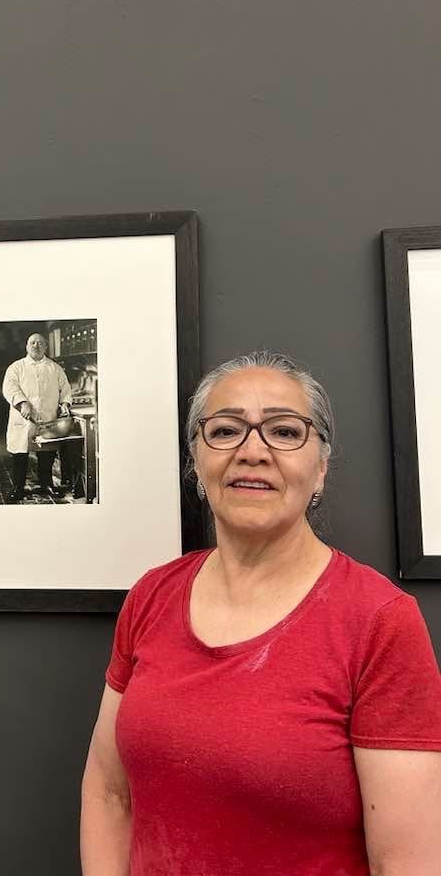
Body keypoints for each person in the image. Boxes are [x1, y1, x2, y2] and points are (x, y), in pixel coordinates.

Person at [81, 351, 441, 875]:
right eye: (225, 431)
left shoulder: (378, 621)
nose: (252, 451)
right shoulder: (152, 597)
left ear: (319, 468)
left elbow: (409, 863)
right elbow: (109, 789)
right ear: (196, 462)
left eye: (285, 432)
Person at [1, 332, 72, 502]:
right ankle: (18, 487)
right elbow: (9, 388)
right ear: (26, 346)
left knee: (46, 453)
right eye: (32, 342)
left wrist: (65, 404)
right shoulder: (16, 367)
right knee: (20, 453)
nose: (36, 346)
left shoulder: (55, 368)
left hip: (48, 417)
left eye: (40, 343)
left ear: (46, 347)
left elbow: (66, 389)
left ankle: (46, 484)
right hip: (23, 418)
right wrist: (22, 403)